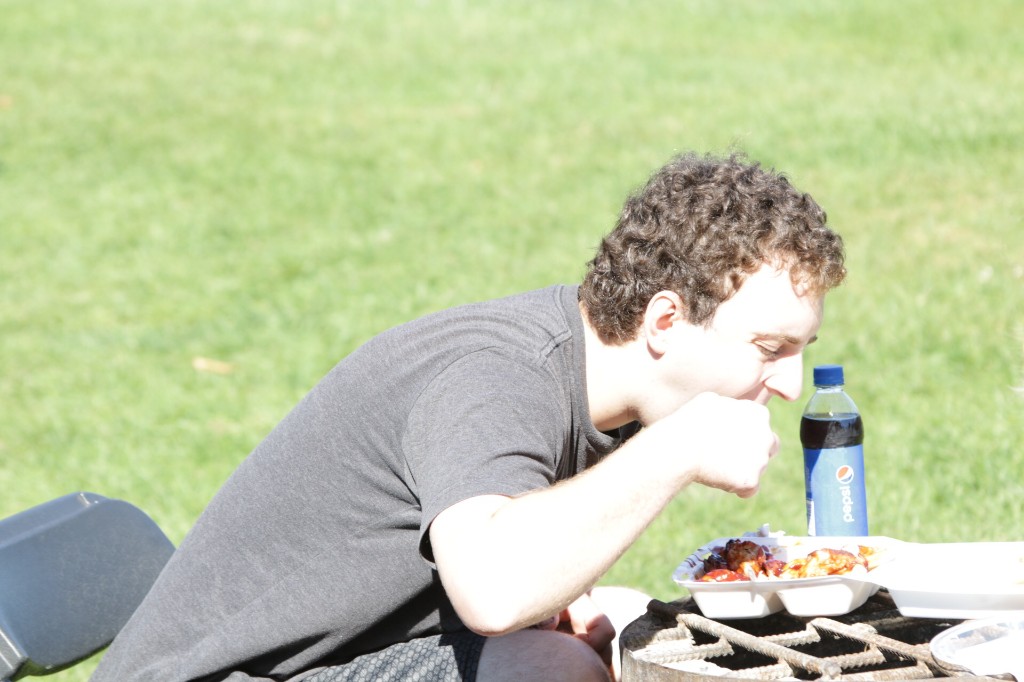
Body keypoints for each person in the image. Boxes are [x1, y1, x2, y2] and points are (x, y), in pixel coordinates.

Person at [91, 151, 846, 682]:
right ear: (664, 320)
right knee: (550, 671)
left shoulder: (592, 378)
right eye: (769, 348)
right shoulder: (494, 376)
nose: (789, 382)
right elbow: (494, 591)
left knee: (621, 620)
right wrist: (675, 450)